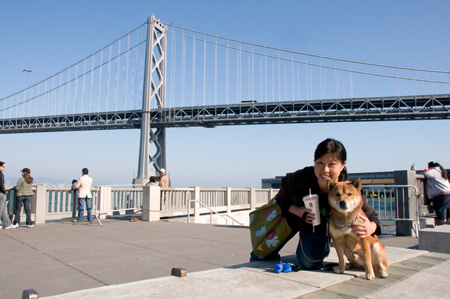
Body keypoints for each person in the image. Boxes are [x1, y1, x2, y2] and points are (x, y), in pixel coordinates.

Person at [250, 138, 381, 270]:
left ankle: (318, 249)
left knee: (310, 262)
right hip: (294, 218)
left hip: (320, 224)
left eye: (332, 164)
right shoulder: (300, 178)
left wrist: (371, 226)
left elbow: (370, 214)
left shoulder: (348, 188)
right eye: (320, 163)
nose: (325, 170)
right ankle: (264, 253)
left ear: (343, 165)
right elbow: (280, 200)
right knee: (260, 255)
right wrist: (299, 211)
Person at [0, 161, 16, 230]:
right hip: (0, 193)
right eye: (3, 166)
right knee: (1, 208)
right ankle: (7, 224)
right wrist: (4, 191)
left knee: (3, 209)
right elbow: (1, 184)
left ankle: (6, 224)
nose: (3, 168)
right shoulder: (0, 174)